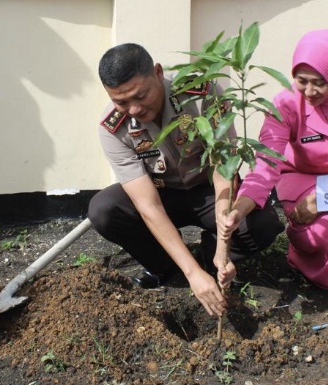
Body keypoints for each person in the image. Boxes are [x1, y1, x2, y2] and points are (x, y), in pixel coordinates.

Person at [88, 43, 284, 317]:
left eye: (140, 96)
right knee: (104, 210)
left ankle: (210, 255)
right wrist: (191, 274)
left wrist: (223, 247)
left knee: (263, 225)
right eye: (121, 102)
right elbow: (149, 205)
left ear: (157, 73)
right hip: (163, 195)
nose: (133, 109)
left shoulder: (203, 94)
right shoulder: (113, 128)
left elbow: (222, 170)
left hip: (209, 191)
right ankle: (166, 266)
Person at [216, 30, 328, 306]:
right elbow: (267, 161)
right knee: (324, 227)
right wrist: (241, 207)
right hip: (303, 178)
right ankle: (317, 266)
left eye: (320, 83)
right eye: (302, 81)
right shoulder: (284, 103)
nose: (310, 92)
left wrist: (325, 198)